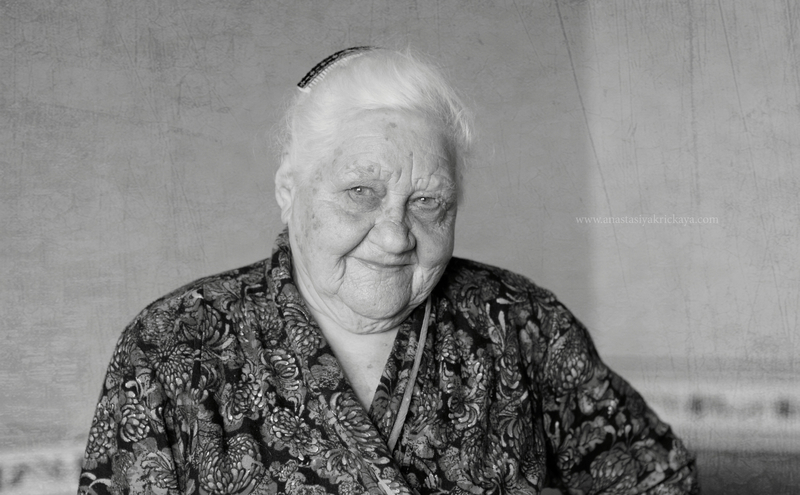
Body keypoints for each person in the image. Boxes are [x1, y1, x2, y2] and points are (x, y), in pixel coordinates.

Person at [79, 47, 698, 495]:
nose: (397, 235)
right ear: (289, 190)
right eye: (361, 192)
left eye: (427, 201)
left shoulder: (519, 322)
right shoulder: (172, 344)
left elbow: (654, 478)